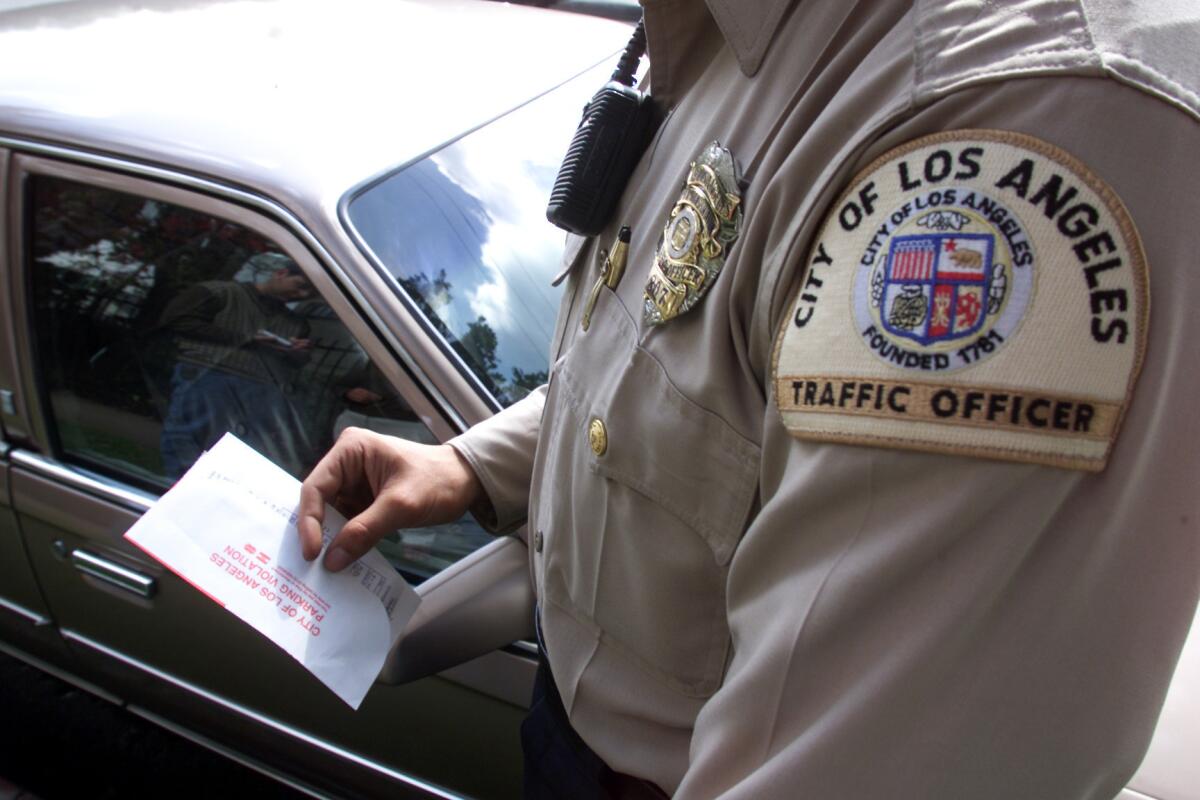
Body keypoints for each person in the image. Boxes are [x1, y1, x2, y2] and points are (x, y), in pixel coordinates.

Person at [299, 2, 1200, 797]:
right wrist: (472, 463)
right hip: (567, 728)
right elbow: (688, 350)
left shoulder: (1020, 103)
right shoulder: (731, 33)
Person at [158, 252, 315, 477]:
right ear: (281, 273)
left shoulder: (297, 324)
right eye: (300, 285)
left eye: (308, 293)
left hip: (258, 391)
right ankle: (177, 489)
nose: (300, 294)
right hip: (206, 375)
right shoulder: (219, 293)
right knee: (185, 440)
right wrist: (245, 338)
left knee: (233, 451)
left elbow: (297, 365)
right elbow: (177, 321)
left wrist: (299, 352)